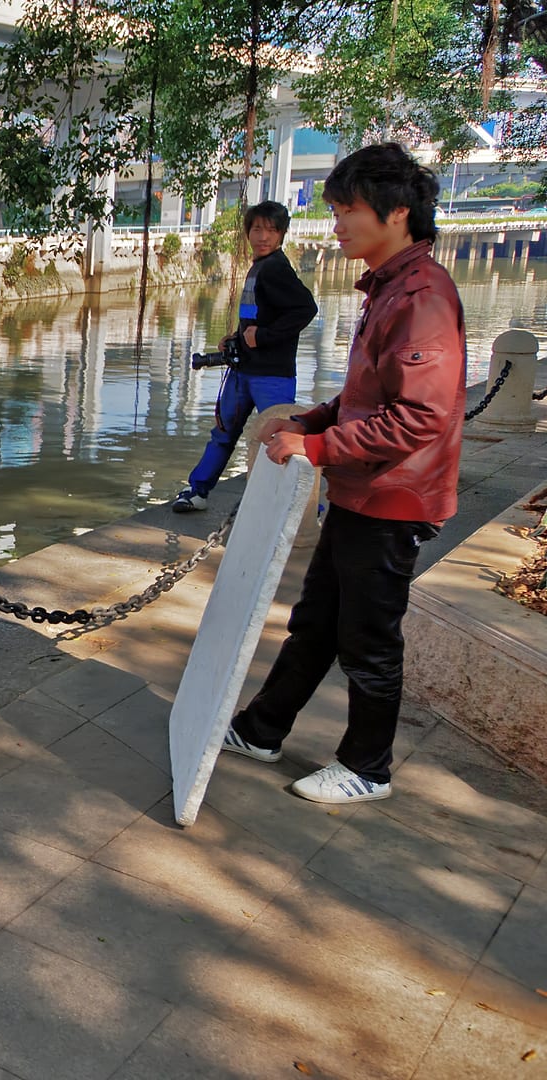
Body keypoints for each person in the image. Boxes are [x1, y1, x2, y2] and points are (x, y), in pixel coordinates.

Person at [220, 143, 465, 805]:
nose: (336, 224)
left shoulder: (421, 298)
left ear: (395, 213)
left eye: (347, 210)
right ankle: (262, 728)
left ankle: (368, 767)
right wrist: (310, 422)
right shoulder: (389, 288)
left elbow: (421, 417)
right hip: (363, 492)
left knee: (368, 637)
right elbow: (366, 399)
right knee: (318, 619)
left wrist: (318, 449)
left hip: (393, 499)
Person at [174, 200, 318, 512]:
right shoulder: (260, 266)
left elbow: (306, 309)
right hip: (243, 371)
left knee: (279, 437)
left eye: (271, 230)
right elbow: (262, 315)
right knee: (223, 432)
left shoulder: (277, 268)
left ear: (281, 235)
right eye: (256, 229)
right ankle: (198, 491)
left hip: (272, 375)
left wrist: (263, 337)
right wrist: (238, 337)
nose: (263, 236)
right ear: (247, 233)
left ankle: (307, 509)